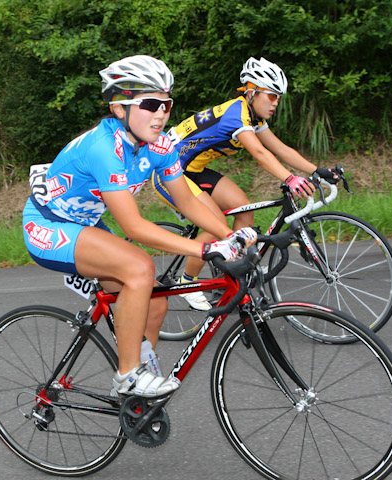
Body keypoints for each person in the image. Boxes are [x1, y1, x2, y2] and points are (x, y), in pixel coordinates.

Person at [22, 55, 255, 398]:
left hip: (85, 223)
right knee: (139, 267)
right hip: (48, 225)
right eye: (150, 103)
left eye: (166, 104)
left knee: (156, 301)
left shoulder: (160, 145)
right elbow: (133, 226)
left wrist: (228, 235)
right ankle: (128, 376)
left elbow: (189, 202)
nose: (161, 113)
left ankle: (139, 394)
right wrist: (204, 249)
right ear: (119, 108)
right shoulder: (104, 148)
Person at [155, 56, 338, 310]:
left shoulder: (254, 117)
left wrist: (318, 170)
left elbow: (279, 149)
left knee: (244, 209)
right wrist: (290, 178)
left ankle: (227, 276)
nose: (275, 103)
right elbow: (260, 154)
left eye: (278, 97)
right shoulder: (236, 116)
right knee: (217, 223)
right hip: (167, 172)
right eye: (271, 96)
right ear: (251, 92)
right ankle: (188, 282)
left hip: (192, 169)